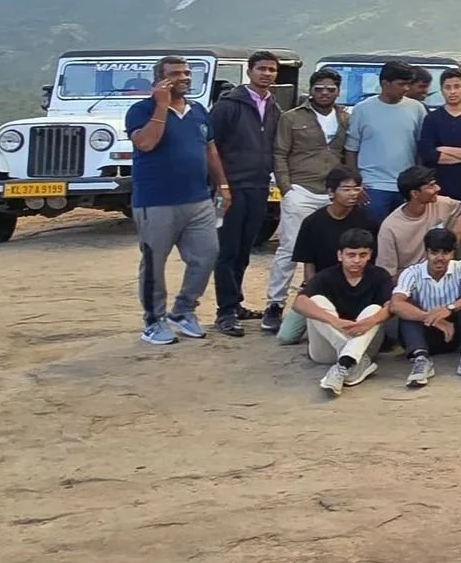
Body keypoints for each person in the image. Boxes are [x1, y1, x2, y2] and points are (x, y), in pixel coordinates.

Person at [127, 55, 229, 346]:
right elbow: (146, 143)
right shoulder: (141, 110)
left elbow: (210, 150)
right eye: (175, 74)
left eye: (186, 73)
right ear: (159, 79)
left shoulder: (198, 110)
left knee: (207, 255)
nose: (184, 78)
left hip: (198, 199)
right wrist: (161, 105)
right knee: (154, 263)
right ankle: (153, 321)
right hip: (155, 202)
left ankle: (183, 310)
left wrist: (222, 185)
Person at [264, 67, 349, 333]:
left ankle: (322, 301)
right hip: (301, 190)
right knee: (290, 248)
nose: (324, 93)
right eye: (319, 88)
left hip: (333, 193)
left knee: (330, 249)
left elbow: (346, 153)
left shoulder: (345, 118)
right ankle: (275, 304)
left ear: (338, 91)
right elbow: (280, 153)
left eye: (330, 89)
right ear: (311, 90)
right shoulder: (291, 117)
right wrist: (286, 188)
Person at [209, 49, 282, 336]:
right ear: (250, 71)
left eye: (272, 70)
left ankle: (236, 302)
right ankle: (225, 312)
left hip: (258, 187)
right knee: (226, 249)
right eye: (261, 68)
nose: (267, 74)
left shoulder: (274, 108)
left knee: (243, 249)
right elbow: (210, 147)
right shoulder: (229, 106)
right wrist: (221, 185)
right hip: (229, 188)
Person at [277, 167, 378, 343]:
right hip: (323, 285)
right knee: (286, 336)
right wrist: (313, 292)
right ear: (331, 192)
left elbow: (372, 261)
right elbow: (308, 263)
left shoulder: (367, 221)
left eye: (356, 189)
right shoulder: (313, 222)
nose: (353, 194)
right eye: (346, 189)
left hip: (356, 285)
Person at [291, 228, 391, 395]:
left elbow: (391, 307)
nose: (357, 260)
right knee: (316, 301)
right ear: (340, 255)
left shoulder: (379, 276)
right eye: (351, 255)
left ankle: (344, 365)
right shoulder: (326, 276)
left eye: (362, 255)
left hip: (364, 345)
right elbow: (298, 303)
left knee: (375, 310)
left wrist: (370, 321)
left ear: (370, 255)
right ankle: (352, 361)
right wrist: (335, 321)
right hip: (328, 349)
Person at [391, 225, 461, 385]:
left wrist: (449, 309)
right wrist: (430, 318)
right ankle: (421, 360)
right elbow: (395, 304)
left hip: (454, 334)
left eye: (446, 252)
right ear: (426, 252)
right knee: (407, 309)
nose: (440, 258)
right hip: (424, 334)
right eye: (434, 252)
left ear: (453, 253)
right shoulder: (411, 273)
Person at [344, 61, 427, 222]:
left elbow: (420, 148)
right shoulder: (362, 109)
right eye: (401, 84)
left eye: (408, 84)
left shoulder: (417, 108)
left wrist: (418, 181)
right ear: (384, 84)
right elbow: (351, 149)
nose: (406, 89)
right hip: (372, 186)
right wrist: (355, 184)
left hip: (406, 187)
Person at [376, 166, 461, 277]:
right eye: (431, 186)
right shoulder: (390, 227)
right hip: (410, 279)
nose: (438, 188)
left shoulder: (442, 203)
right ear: (415, 193)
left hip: (444, 272)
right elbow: (387, 275)